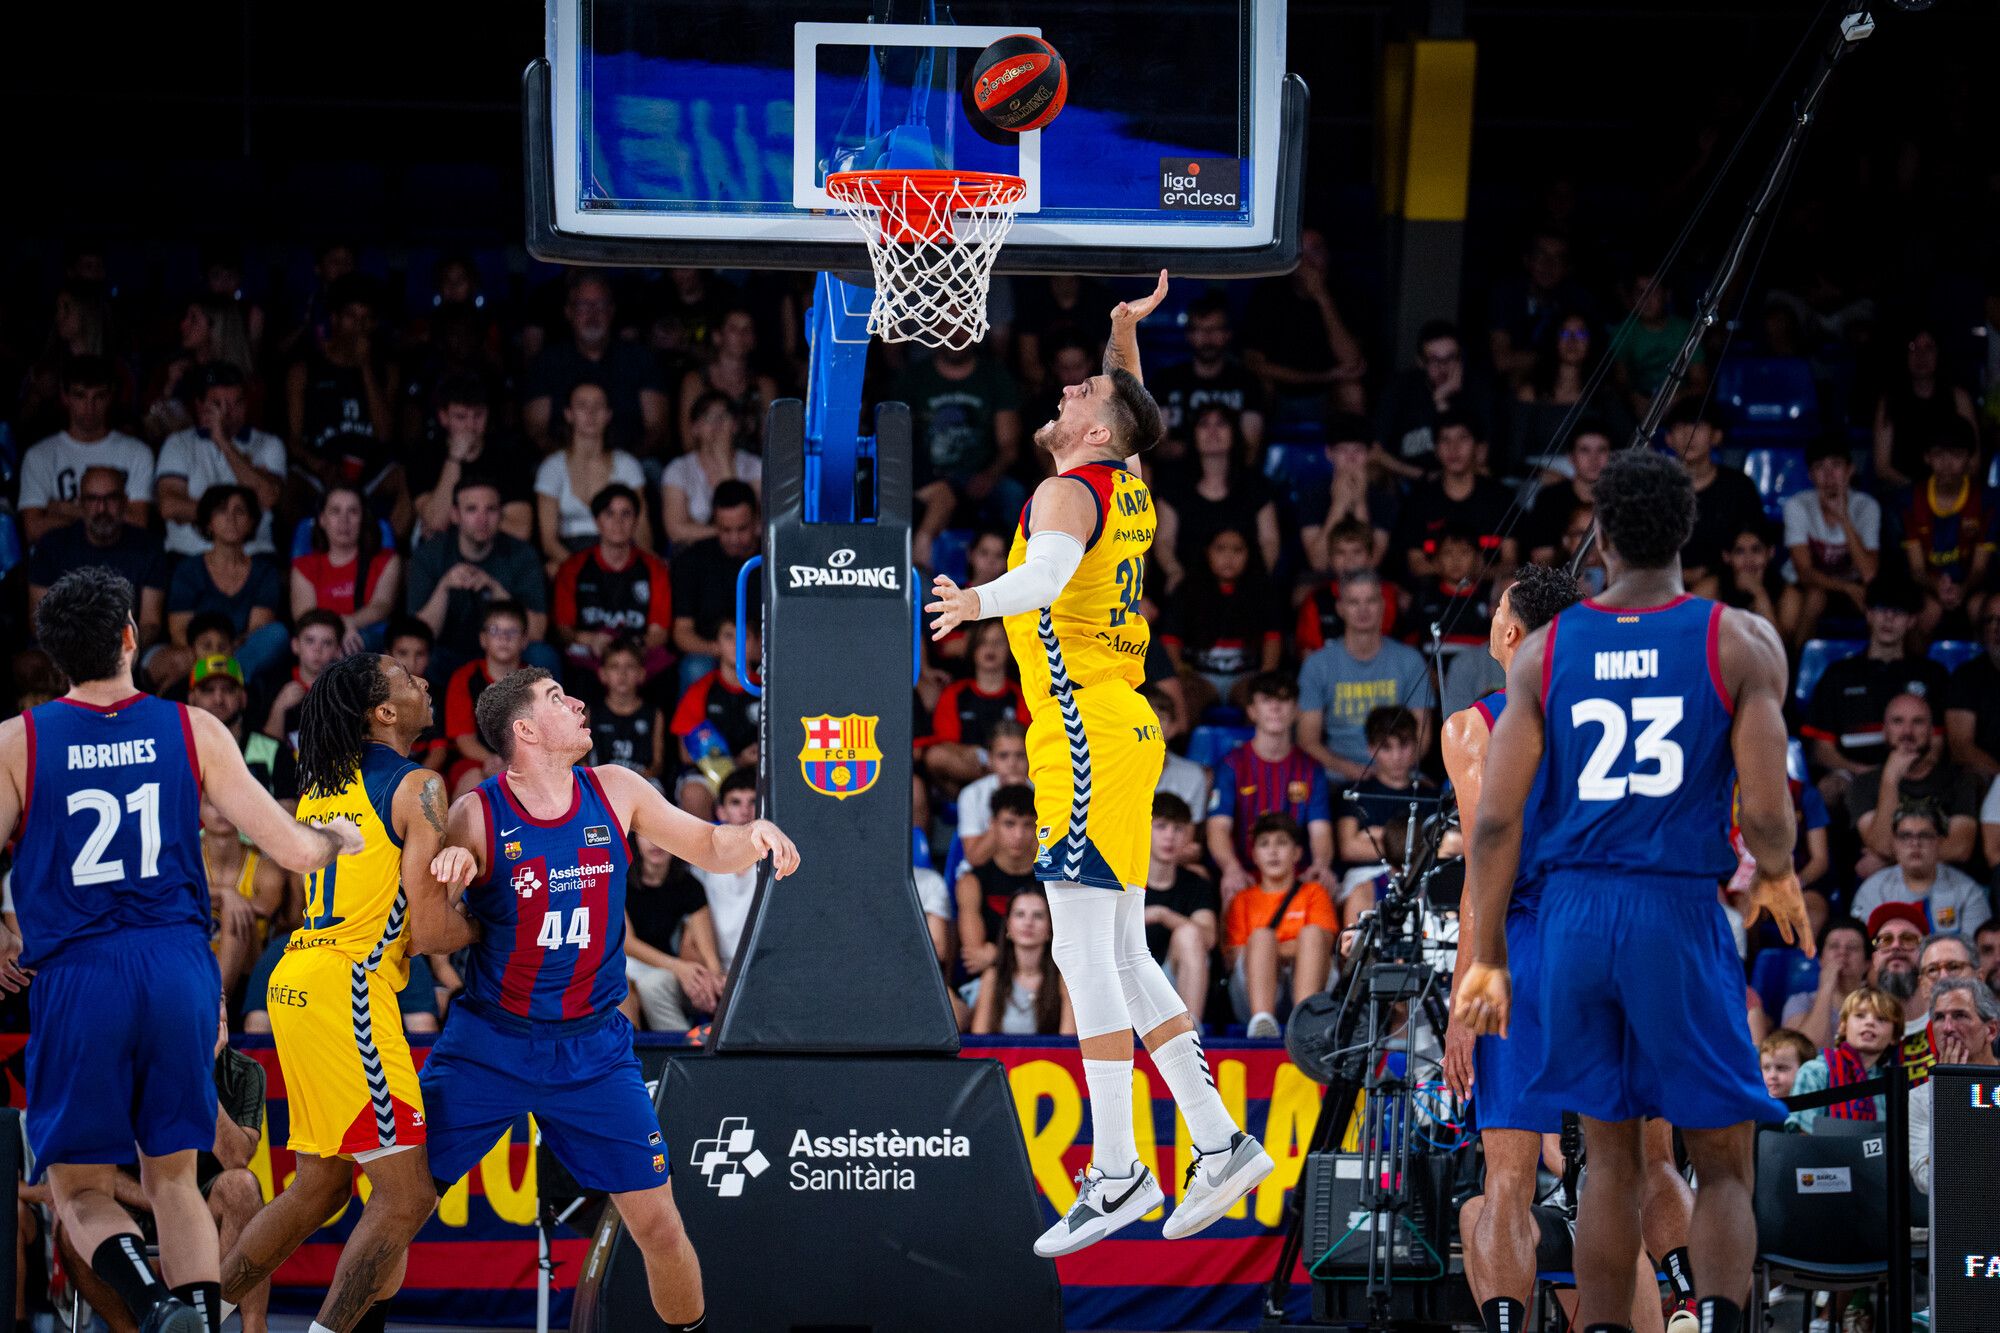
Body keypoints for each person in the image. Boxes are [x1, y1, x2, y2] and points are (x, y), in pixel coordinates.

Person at [925, 272, 1273, 1255]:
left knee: (1085, 955)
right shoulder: (1125, 480)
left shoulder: (1061, 489)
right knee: (1116, 954)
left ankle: (1118, 1170)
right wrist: (1124, 332)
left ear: (1092, 432)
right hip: (1118, 722)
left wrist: (973, 603)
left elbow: (1042, 576)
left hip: (1080, 728)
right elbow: (1131, 414)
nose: (1066, 389)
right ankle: (1216, 1141)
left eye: (1080, 391)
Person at [1455, 448, 1814, 1333]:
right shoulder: (1736, 638)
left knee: (1606, 1163)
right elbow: (1768, 813)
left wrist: (1488, 954)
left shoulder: (1543, 654)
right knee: (1716, 1157)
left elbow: (1494, 827)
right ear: (1687, 530)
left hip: (1571, 916)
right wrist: (1776, 871)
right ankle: (1716, 1321)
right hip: (1674, 907)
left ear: (1600, 535)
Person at [7, 568, 363, 1333]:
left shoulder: (19, 739)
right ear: (131, 637)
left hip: (79, 971)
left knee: (81, 1193)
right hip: (179, 968)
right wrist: (339, 835)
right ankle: (196, 1322)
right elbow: (293, 850)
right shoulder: (193, 728)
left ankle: (155, 1303)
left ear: (57, 657)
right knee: (175, 1177)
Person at [420, 667, 799, 1331]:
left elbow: (709, 841)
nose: (579, 703)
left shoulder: (615, 788)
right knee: (403, 1202)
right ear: (527, 730)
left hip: (593, 1046)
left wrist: (754, 836)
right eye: (558, 698)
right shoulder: (474, 813)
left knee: (657, 1221)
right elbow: (434, 921)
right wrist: (447, 870)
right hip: (492, 1039)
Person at [218, 652, 452, 1333]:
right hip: (348, 990)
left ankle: (190, 1313)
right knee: (408, 1197)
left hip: (298, 982)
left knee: (320, 1186)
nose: (424, 683)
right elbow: (434, 929)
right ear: (383, 712)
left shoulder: (326, 778)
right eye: (409, 679)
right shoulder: (419, 787)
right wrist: (494, 916)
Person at [1437, 562, 1592, 1333]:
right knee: (1624, 1174)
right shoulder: (1609, 712)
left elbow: (1481, 879)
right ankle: (1687, 1303)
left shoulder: (1476, 725)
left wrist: (1467, 998)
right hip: (1612, 935)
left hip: (1523, 942)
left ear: (1509, 632)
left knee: (1506, 1179)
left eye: (1498, 609)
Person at [1801, 575, 1948, 801]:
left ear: (1911, 621)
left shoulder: (1931, 674)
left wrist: (1906, 774)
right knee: (1828, 789)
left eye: (1898, 612)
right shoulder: (1838, 674)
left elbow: (1936, 747)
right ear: (1868, 614)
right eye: (1881, 609)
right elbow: (1822, 751)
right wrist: (1869, 774)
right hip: (1853, 775)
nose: (1888, 619)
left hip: (1915, 775)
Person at [1205, 672, 1337, 896]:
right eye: (1266, 700)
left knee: (1324, 885)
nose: (1275, 708)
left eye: (1284, 700)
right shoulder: (1232, 765)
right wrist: (1231, 868)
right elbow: (1218, 827)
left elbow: (1320, 830)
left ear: (1296, 711)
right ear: (1252, 711)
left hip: (1297, 873)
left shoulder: (1311, 768)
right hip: (1246, 872)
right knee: (1231, 887)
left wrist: (1321, 865)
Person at [1297, 571, 1437, 782]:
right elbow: (1307, 741)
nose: (1363, 609)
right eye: (1354, 602)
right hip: (1337, 775)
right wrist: (1353, 770)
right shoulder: (1317, 664)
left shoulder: (1410, 661)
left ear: (1383, 605)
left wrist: (1387, 773)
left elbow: (1422, 738)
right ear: (1340, 608)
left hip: (1398, 774)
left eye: (1371, 601)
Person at [405, 478, 551, 673]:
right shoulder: (430, 554)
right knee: (418, 658)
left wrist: (496, 589)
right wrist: (444, 586)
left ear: (500, 514)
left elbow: (535, 633)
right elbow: (416, 638)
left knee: (542, 655)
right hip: (447, 653)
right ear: (455, 515)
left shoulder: (522, 554)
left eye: (490, 509)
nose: (482, 519)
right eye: (472, 509)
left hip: (504, 652)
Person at [28, 466, 168, 664]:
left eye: (111, 498)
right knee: (29, 665)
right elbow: (38, 620)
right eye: (93, 499)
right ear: (80, 503)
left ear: (125, 502)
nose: (102, 509)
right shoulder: (52, 545)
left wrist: (118, 651)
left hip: (125, 649)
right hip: (65, 648)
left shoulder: (148, 547)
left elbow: (150, 624)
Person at [522, 272, 670, 457]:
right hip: (563, 465)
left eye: (600, 305)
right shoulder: (547, 363)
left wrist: (620, 466)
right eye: (583, 306)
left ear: (612, 310)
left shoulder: (640, 358)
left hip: (632, 465)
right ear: (568, 312)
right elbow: (537, 430)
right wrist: (574, 466)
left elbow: (657, 428)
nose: (592, 314)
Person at [17, 355, 155, 546]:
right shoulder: (40, 455)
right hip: (59, 563)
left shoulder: (137, 453)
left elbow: (138, 524)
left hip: (121, 560)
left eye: (98, 396)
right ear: (65, 398)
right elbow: (33, 530)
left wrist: (65, 510)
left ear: (110, 397)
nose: (89, 407)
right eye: (80, 396)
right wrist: (108, 518)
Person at [1221, 813, 1337, 1037]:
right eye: (1264, 844)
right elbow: (1235, 958)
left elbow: (1325, 945)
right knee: (1262, 936)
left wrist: (1270, 951)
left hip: (1310, 985)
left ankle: (1305, 1022)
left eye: (1282, 843)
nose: (1273, 851)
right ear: (1254, 855)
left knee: (1311, 934)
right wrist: (1281, 947)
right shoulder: (1242, 899)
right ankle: (1262, 1020)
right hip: (1254, 994)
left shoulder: (1314, 892)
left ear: (1297, 853)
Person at [156, 363, 287, 561]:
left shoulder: (269, 444)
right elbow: (170, 506)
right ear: (201, 406)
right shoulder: (179, 443)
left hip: (252, 555)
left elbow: (268, 498)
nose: (228, 413)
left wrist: (223, 443)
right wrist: (236, 516)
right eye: (218, 404)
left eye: (237, 403)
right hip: (189, 557)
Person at [1846, 693, 1980, 878]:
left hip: (1947, 884)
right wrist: (1890, 779)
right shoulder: (1864, 784)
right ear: (1885, 731)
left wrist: (1889, 860)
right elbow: (1883, 844)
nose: (1907, 732)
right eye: (1898, 721)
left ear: (1932, 731)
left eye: (1918, 722)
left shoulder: (1960, 779)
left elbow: (1960, 848)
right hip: (1888, 887)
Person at [166, 487, 288, 684]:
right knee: (166, 659)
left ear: (251, 523)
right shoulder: (188, 570)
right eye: (221, 511)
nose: (231, 518)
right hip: (198, 652)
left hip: (241, 653)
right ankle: (222, 681)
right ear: (208, 523)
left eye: (239, 511)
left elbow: (258, 630)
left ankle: (226, 681)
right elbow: (180, 631)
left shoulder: (265, 572)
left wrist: (225, 653)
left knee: (277, 634)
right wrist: (210, 653)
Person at [552, 483, 673, 681]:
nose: (618, 522)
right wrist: (592, 640)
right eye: (609, 514)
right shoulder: (572, 568)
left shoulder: (654, 568)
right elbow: (564, 630)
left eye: (626, 514)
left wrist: (628, 649)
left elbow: (659, 633)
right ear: (597, 521)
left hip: (638, 656)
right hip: (589, 657)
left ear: (636, 521)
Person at [535, 380, 653, 570]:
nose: (590, 413)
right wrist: (585, 568)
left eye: (598, 406)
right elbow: (549, 541)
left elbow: (641, 529)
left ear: (608, 415)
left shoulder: (627, 465)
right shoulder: (552, 467)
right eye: (582, 406)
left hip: (619, 549)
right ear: (568, 414)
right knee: (551, 569)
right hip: (571, 552)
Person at [409, 375, 537, 544]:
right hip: (443, 555)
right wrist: (454, 459)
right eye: (461, 417)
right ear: (443, 417)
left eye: (478, 416)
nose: (470, 426)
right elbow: (436, 522)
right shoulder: (424, 456)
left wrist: (461, 521)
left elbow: (521, 531)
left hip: (498, 554)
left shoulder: (509, 457)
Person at [1392, 412, 1517, 579]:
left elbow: (1510, 561)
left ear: (1479, 448)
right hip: (1433, 594)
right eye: (1445, 440)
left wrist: (1477, 575)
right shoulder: (1419, 499)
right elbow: (1415, 563)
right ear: (1435, 449)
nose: (1454, 448)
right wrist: (1454, 573)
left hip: (1490, 594)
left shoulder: (1501, 497)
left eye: (1463, 438)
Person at [1782, 434, 1878, 650]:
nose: (1828, 475)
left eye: (1836, 466)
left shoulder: (1866, 507)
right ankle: (1798, 664)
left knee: (1877, 606)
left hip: (1856, 585)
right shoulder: (1797, 506)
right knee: (1814, 599)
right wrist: (1846, 588)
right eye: (1819, 467)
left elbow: (1869, 573)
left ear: (1850, 470)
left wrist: (1843, 517)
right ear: (1810, 475)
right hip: (1810, 585)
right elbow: (1805, 573)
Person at [1899, 416, 1992, 637]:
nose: (1947, 464)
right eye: (1939, 455)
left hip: (1972, 586)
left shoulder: (1987, 500)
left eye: (1957, 455)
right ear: (1927, 458)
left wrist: (1963, 589)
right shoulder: (1910, 500)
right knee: (1926, 612)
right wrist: (1937, 586)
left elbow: (1979, 568)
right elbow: (1917, 568)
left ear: (1969, 458)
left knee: (1981, 609)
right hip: (1928, 587)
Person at [1909, 978, 2000, 1194]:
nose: (1948, 1028)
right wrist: (1951, 1092)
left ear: (1991, 1030)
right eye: (1940, 1018)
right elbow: (1927, 1181)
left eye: (1960, 1015)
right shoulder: (1920, 1099)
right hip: (1959, 1214)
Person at [669, 480, 761, 691]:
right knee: (695, 668)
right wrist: (724, 650)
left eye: (742, 529)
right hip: (710, 654)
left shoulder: (773, 558)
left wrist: (756, 650)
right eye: (725, 530)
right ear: (713, 524)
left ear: (757, 521)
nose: (734, 538)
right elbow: (682, 633)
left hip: (762, 653)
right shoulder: (692, 560)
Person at [1851, 803, 1991, 941]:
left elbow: (1974, 952)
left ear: (1939, 842)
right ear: (1894, 843)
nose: (1915, 843)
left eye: (1924, 835)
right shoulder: (1872, 890)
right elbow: (1864, 947)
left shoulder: (1968, 891)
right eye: (1905, 836)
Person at [291, 484, 403, 655]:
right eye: (335, 511)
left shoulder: (386, 560)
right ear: (322, 519)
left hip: (365, 637)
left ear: (363, 518)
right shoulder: (304, 567)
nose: (344, 520)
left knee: (354, 643)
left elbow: (382, 605)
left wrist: (348, 624)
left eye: (353, 511)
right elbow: (305, 618)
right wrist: (336, 633)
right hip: (320, 642)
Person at [1662, 399, 1763, 589]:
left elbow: (1754, 544)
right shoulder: (1655, 489)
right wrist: (1682, 575)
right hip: (1664, 585)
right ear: (1668, 438)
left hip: (1728, 584)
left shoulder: (1739, 487)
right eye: (1679, 427)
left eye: (1697, 426)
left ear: (1716, 436)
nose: (1688, 434)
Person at [1143, 794, 1220, 1022]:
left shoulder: (1197, 885)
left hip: (1172, 983)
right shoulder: (1121, 883)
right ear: (1142, 829)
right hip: (1127, 983)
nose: (1170, 836)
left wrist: (1162, 915)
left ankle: (1190, 1028)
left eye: (1178, 828)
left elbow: (1208, 937)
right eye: (1161, 826)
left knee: (1189, 933)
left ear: (1189, 836)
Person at [1783, 986, 1903, 1131]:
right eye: (1860, 1015)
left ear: (1895, 1036)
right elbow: (1798, 1138)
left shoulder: (1892, 1085)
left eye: (1881, 1019)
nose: (1870, 1022)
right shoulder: (1815, 1072)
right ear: (1843, 1026)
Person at [444, 602, 531, 799]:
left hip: (523, 760)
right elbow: (464, 740)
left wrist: (512, 763)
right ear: (483, 639)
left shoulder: (536, 681)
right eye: (495, 630)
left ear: (525, 639)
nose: (504, 638)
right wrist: (493, 760)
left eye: (512, 631)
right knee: (474, 779)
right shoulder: (464, 678)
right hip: (476, 759)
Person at [955, 784, 1042, 978]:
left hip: (1043, 981)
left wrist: (994, 953)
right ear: (992, 825)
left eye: (1027, 825)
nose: (1018, 835)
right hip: (988, 981)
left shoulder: (1051, 882)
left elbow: (1059, 951)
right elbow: (975, 958)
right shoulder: (971, 882)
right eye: (1010, 824)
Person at [662, 389, 764, 548]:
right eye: (708, 417)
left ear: (735, 425)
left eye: (723, 417)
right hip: (696, 553)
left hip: (744, 552)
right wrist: (727, 532)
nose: (717, 424)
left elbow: (758, 525)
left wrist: (725, 464)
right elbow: (675, 530)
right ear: (695, 428)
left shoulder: (755, 466)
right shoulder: (678, 469)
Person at [967, 887, 1074, 1036]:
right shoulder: (992, 977)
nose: (1028, 922)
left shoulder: (1062, 980)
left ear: (1050, 929)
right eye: (1020, 914)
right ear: (1008, 927)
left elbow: (1067, 1045)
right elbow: (980, 1041)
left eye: (1038, 916)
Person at [954, 717, 1030, 869]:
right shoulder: (972, 795)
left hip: (1032, 872)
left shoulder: (1043, 791)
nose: (1012, 764)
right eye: (1003, 756)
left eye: (1020, 755)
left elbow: (1048, 854)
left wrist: (1024, 794)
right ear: (989, 759)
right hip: (986, 872)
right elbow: (974, 857)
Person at [1781, 916, 1869, 1047]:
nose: (1842, 952)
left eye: (1852, 947)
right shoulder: (1799, 1002)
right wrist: (1826, 987)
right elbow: (1808, 1054)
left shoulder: (1879, 1005)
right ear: (1820, 960)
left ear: (1867, 963)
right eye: (1834, 946)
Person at [1758, 1028, 1815, 1100]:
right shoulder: (1759, 1102)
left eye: (1781, 1068)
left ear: (1805, 1069)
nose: (1772, 1075)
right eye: (1766, 1068)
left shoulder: (1813, 1103)